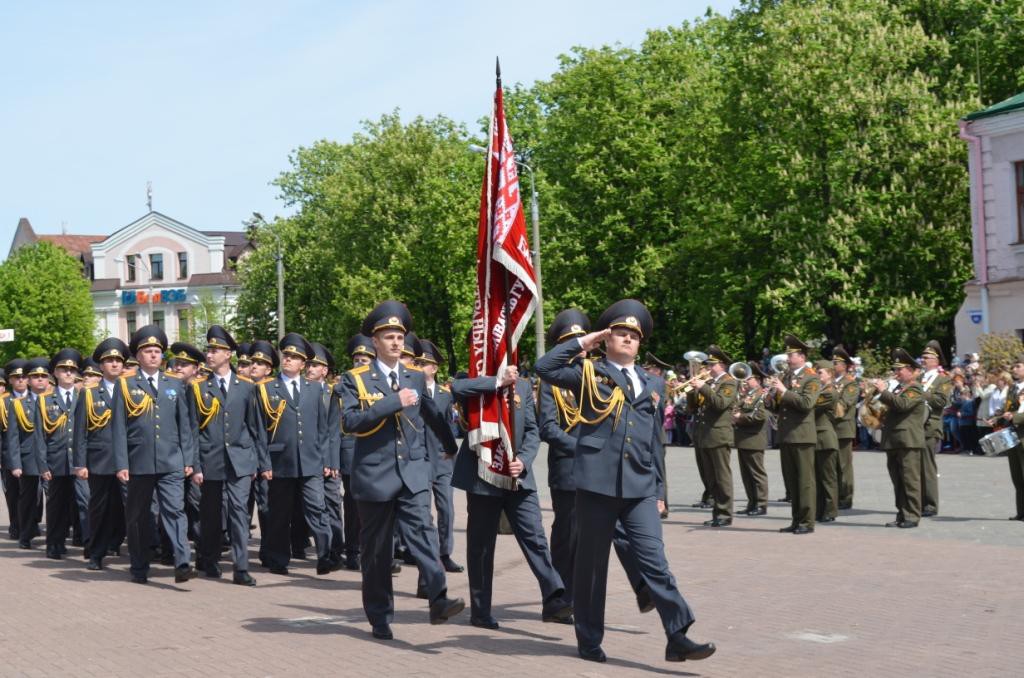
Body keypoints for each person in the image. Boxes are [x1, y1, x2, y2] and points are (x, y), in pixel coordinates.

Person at [535, 299, 715, 665]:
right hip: (596, 485)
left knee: (655, 562)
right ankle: (589, 638)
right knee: (591, 568)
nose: (628, 339)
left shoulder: (653, 383)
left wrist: (660, 491)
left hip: (638, 487)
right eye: (620, 332)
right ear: (607, 338)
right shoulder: (589, 373)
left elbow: (653, 442)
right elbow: (544, 366)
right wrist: (585, 342)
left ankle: (677, 635)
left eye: (634, 334)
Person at [338, 301, 465, 640]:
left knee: (424, 533)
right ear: (375, 342)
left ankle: (438, 598)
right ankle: (379, 616)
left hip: (412, 473)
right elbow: (350, 422)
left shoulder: (414, 377)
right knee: (377, 553)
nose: (396, 342)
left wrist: (451, 448)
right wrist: (393, 401)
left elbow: (433, 416)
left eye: (399, 336)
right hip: (375, 477)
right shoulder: (355, 380)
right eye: (388, 336)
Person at [449, 360, 572, 629]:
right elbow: (456, 389)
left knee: (535, 537)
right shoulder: (475, 380)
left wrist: (525, 460)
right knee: (481, 547)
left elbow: (531, 429)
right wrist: (496, 382)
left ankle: (555, 597)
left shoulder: (524, 386)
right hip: (483, 476)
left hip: (518, 477)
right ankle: (480, 611)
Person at [111, 325, 199, 584]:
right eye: (147, 351)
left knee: (175, 511)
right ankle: (139, 565)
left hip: (171, 459)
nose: (153, 356)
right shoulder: (126, 385)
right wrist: (121, 463)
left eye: (157, 351)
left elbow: (185, 424)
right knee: (138, 516)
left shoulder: (174, 383)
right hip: (138, 462)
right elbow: (118, 427)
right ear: (138, 356)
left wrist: (188, 459)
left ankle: (183, 561)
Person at [253, 332, 336, 576]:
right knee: (279, 513)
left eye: (294, 357)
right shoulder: (266, 388)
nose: (288, 360)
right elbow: (259, 430)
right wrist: (264, 463)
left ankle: (325, 555)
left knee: (317, 509)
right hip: (280, 461)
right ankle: (279, 559)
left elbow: (323, 429)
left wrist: (326, 459)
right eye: (286, 355)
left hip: (310, 460)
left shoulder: (314, 389)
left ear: (303, 364)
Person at [189, 325, 266, 586]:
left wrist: (258, 461)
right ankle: (208, 560)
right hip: (210, 459)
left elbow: (255, 428)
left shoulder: (246, 387)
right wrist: (195, 465)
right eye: (208, 349)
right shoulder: (199, 388)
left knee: (238, 513)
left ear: (229, 354)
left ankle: (241, 567)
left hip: (241, 459)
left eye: (216, 350)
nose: (210, 354)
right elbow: (192, 430)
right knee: (210, 514)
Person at [74, 338, 130, 570]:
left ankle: (119, 545)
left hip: (129, 460)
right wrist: (80, 463)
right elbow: (80, 432)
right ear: (101, 366)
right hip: (101, 460)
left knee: (127, 508)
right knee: (99, 509)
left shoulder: (134, 390)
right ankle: (96, 553)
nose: (114, 364)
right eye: (109, 360)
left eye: (118, 360)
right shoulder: (89, 395)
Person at [766, 334, 821, 535]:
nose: (787, 359)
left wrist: (783, 391)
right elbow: (778, 407)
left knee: (805, 480)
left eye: (791, 355)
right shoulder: (787, 377)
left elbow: (807, 403)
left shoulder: (811, 377)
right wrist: (770, 396)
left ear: (802, 356)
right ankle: (796, 519)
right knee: (792, 481)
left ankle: (807, 521)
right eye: (788, 355)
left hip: (802, 435)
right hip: (787, 434)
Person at [417, 339, 463, 574]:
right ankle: (428, 552)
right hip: (421, 460)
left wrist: (450, 449)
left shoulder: (446, 395)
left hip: (443, 459)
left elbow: (450, 426)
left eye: (424, 363)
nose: (419, 366)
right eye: (417, 362)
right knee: (423, 511)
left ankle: (445, 553)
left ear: (434, 368)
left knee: (447, 509)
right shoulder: (411, 392)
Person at [687, 346, 738, 527]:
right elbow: (692, 408)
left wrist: (703, 387)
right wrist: (693, 390)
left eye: (712, 364)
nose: (708, 367)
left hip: (718, 435)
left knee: (721, 477)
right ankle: (717, 511)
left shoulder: (729, 382)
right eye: (707, 364)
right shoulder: (709, 383)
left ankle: (725, 514)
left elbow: (720, 403)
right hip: (704, 435)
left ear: (722, 365)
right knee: (710, 477)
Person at [40, 349, 84, 559]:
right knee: (56, 505)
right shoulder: (44, 400)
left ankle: (88, 542)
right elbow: (39, 437)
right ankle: (54, 544)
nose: (68, 373)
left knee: (85, 502)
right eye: (63, 369)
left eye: (71, 369)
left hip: (79, 460)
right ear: (54, 373)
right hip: (56, 460)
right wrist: (43, 465)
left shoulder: (85, 397)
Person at [875, 348, 926, 528]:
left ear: (911, 371)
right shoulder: (899, 388)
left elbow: (902, 405)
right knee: (898, 481)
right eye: (895, 369)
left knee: (909, 480)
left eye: (900, 369)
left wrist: (883, 392)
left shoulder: (916, 389)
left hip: (908, 441)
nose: (896, 373)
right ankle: (902, 514)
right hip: (894, 440)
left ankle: (912, 515)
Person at [4, 358, 47, 549]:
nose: (39, 379)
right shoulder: (17, 404)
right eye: (35, 376)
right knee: (28, 498)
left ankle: (55, 537)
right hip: (28, 456)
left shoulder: (54, 400)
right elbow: (12, 436)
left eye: (43, 376)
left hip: (52, 456)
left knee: (53, 498)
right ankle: (25, 534)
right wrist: (15, 463)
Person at [919, 340, 952, 517]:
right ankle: (919, 502)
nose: (922, 360)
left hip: (930, 426)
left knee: (927, 467)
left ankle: (930, 504)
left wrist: (919, 392)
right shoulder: (918, 377)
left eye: (926, 357)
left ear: (936, 359)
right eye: (922, 357)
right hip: (915, 427)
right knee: (915, 467)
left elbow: (940, 401)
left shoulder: (944, 378)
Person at [733, 363, 769, 515]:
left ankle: (761, 504)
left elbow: (761, 416)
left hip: (754, 438)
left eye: (749, 378)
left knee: (756, 473)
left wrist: (740, 417)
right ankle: (752, 502)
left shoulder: (762, 394)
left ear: (758, 380)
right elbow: (735, 407)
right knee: (746, 474)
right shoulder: (748, 395)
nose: (746, 381)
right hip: (743, 439)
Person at [831, 346, 860, 509]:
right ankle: (834, 495)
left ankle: (846, 497)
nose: (833, 365)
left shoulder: (850, 384)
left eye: (837, 363)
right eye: (833, 362)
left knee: (844, 466)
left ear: (845, 366)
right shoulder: (830, 383)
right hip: (830, 429)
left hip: (842, 428)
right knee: (832, 465)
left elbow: (843, 405)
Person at [811, 360, 839, 524]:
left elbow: (810, 406)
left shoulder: (829, 392)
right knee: (817, 477)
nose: (817, 375)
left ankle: (830, 510)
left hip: (825, 438)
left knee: (828, 478)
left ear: (830, 374)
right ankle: (820, 509)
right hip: (817, 437)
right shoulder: (821, 390)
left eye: (820, 372)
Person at [998, 357, 1024, 520]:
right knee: (1017, 477)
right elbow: (1008, 409)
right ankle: (1021, 512)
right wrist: (998, 417)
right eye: (1013, 366)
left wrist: (1013, 417)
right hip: (1013, 437)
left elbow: (1015, 414)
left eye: (1018, 366)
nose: (1014, 369)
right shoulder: (1014, 388)